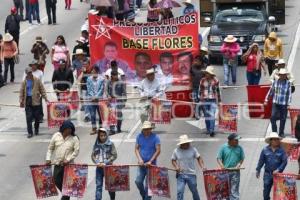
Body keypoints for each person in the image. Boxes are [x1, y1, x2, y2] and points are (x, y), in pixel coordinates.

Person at [45, 120, 80, 200]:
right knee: (56, 180)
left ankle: (65, 196)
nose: (70, 130)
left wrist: (68, 159)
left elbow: (76, 151)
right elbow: (50, 149)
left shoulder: (74, 138)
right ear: (64, 128)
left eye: (71, 129)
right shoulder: (56, 136)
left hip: (69, 166)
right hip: (58, 164)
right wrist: (48, 158)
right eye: (68, 129)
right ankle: (66, 195)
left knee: (68, 183)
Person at [172, 135, 205, 200]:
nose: (187, 144)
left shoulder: (193, 149)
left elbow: (199, 158)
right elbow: (173, 160)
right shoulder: (176, 151)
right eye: (185, 143)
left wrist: (202, 167)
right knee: (180, 191)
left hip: (191, 174)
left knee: (194, 191)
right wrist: (176, 167)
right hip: (181, 175)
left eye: (187, 143)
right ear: (181, 144)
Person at [256, 132, 287, 200]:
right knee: (266, 192)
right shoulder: (265, 150)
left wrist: (278, 169)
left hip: (278, 174)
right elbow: (261, 161)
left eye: (277, 139)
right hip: (267, 174)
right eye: (275, 139)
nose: (277, 141)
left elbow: (284, 162)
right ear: (271, 141)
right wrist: (258, 170)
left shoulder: (282, 150)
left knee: (279, 193)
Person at [135, 121, 161, 200]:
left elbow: (158, 150)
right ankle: (143, 195)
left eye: (148, 129)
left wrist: (150, 161)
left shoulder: (156, 137)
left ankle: (146, 197)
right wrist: (140, 159)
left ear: (151, 129)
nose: (146, 131)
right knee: (138, 181)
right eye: (145, 129)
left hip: (151, 165)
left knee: (148, 187)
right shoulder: (139, 136)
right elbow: (136, 149)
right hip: (141, 165)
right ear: (142, 129)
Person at [20, 67, 48, 138]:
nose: (29, 74)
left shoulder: (37, 80)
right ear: (26, 74)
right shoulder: (24, 82)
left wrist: (45, 98)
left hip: (36, 100)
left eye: (30, 72)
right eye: (28, 73)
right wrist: (21, 100)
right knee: (28, 118)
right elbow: (21, 91)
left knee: (37, 117)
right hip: (28, 100)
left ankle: (36, 129)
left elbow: (42, 89)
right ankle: (30, 132)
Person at [265, 68, 292, 137]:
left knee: (283, 119)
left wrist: (288, 104)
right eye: (281, 75)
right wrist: (266, 100)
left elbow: (289, 95)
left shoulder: (288, 83)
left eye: (284, 75)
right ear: (279, 75)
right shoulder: (275, 82)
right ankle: (274, 132)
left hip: (284, 104)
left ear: (285, 75)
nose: (282, 76)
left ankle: (281, 132)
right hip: (276, 103)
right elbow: (271, 91)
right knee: (272, 117)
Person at [91, 128, 117, 200]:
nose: (102, 137)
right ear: (98, 136)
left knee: (110, 186)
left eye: (104, 135)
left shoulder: (111, 144)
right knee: (98, 186)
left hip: (108, 168)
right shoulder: (96, 145)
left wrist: (106, 162)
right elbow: (93, 156)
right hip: (99, 168)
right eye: (101, 136)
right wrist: (97, 162)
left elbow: (114, 155)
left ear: (107, 135)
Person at [217, 133, 244, 200]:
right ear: (230, 140)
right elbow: (218, 158)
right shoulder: (223, 147)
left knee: (234, 190)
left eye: (238, 140)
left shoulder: (239, 148)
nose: (238, 142)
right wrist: (221, 165)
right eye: (236, 140)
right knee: (226, 190)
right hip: (225, 172)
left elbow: (242, 158)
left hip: (235, 172)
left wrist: (239, 164)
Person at [199, 66, 221, 137]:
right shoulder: (202, 80)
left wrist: (220, 100)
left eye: (208, 73)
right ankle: (208, 129)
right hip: (204, 100)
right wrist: (199, 99)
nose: (207, 74)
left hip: (213, 100)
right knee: (206, 115)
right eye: (206, 73)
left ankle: (212, 130)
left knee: (212, 115)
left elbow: (218, 91)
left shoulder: (215, 80)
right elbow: (200, 90)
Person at [87, 66, 105, 135]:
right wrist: (92, 97)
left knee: (100, 114)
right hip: (91, 99)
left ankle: (100, 128)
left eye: (94, 71)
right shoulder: (89, 79)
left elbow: (101, 89)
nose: (92, 72)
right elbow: (89, 89)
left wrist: (96, 97)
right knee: (92, 115)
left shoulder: (101, 79)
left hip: (99, 99)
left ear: (97, 72)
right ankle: (94, 128)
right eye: (92, 71)